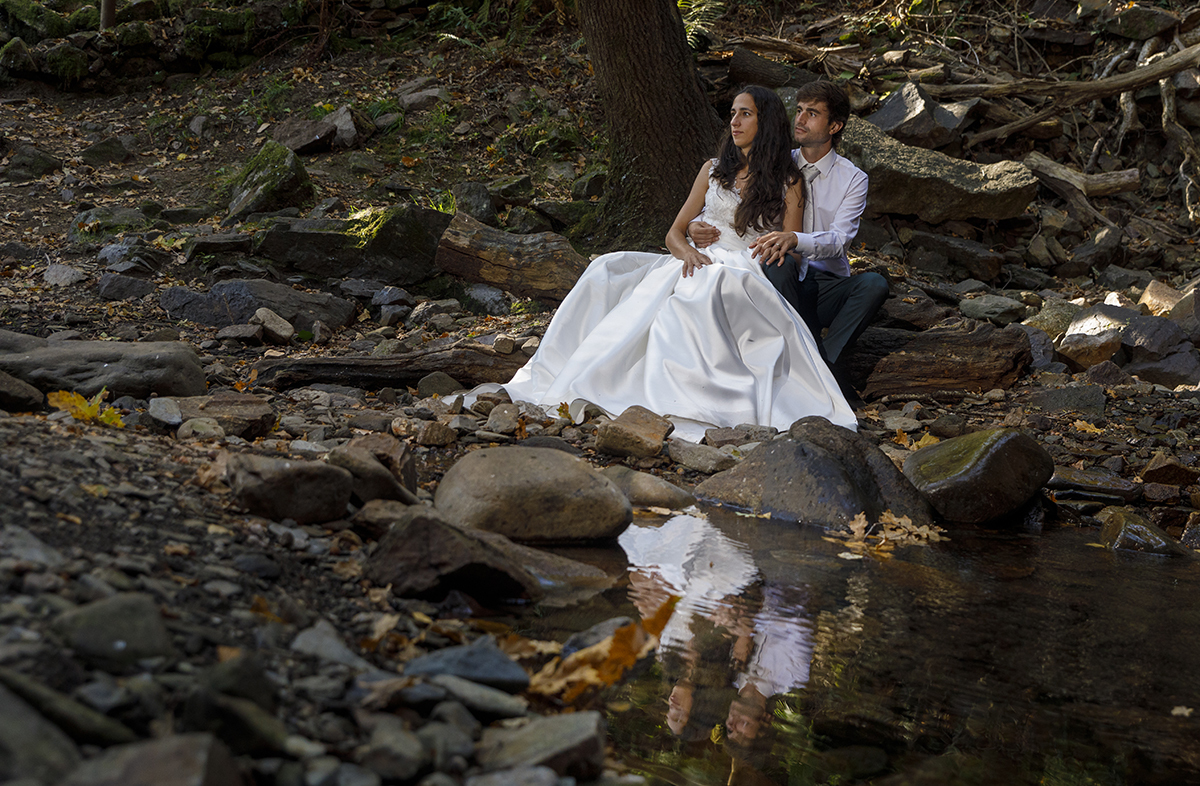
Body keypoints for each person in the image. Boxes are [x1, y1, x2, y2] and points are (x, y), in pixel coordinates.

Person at [497, 85, 856, 440]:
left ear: (767, 122)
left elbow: (790, 247)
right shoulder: (713, 170)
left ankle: (695, 399)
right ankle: (594, 375)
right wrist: (688, 252)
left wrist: (764, 248)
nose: (734, 121)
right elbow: (674, 232)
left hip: (744, 263)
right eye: (732, 113)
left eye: (745, 114)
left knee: (705, 293)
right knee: (606, 268)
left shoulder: (788, 180)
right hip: (695, 257)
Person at [689, 81, 889, 383]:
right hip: (777, 274)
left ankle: (825, 366)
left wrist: (796, 239)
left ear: (834, 126)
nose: (800, 119)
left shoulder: (853, 179)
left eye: (812, 114)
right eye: (799, 111)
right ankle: (802, 360)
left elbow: (840, 241)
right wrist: (695, 224)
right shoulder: (776, 161)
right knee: (778, 264)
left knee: (874, 284)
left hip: (823, 281)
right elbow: (733, 201)